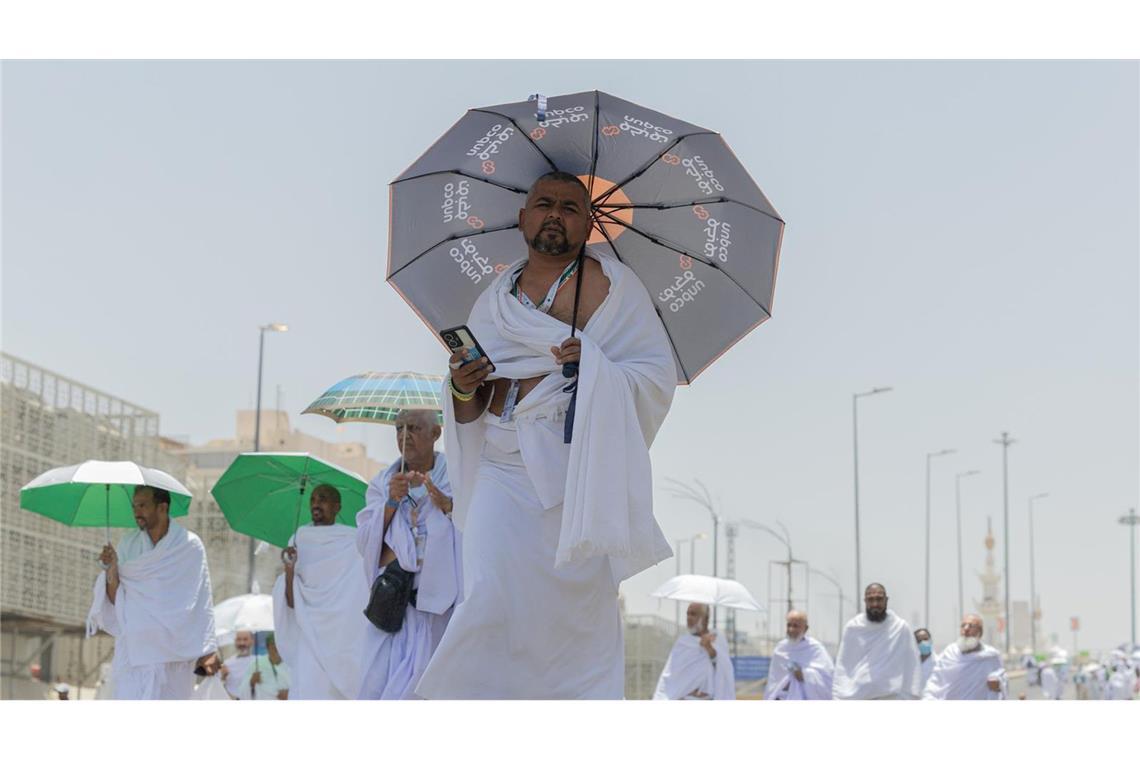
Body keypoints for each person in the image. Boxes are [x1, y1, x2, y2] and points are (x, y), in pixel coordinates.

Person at [416, 172, 676, 699]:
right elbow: (471, 395)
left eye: (570, 207)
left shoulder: (615, 288)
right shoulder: (493, 299)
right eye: (544, 204)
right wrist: (462, 387)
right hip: (498, 466)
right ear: (523, 217)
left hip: (571, 471)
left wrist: (595, 368)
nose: (555, 214)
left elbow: (653, 377)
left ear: (589, 224)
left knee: (573, 620)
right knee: (487, 596)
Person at [356, 409, 461, 700]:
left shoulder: (455, 477)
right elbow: (366, 541)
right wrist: (391, 502)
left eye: (413, 427)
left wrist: (448, 505)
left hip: (439, 607)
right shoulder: (382, 482)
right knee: (378, 687)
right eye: (399, 428)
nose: (404, 435)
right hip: (394, 606)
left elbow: (474, 529)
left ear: (436, 434)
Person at [86, 485, 220, 699]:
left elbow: (201, 600)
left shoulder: (190, 545)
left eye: (142, 505)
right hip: (135, 652)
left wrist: (208, 648)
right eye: (134, 506)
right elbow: (115, 600)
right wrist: (111, 569)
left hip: (175, 653)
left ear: (162, 507)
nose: (136, 511)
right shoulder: (128, 544)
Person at [272, 484, 369, 699]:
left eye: (323, 499)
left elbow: (360, 587)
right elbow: (291, 602)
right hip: (309, 636)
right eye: (313, 499)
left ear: (337, 507)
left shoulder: (353, 540)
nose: (316, 503)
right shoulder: (298, 540)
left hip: (342, 637)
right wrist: (289, 567)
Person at [832, 583, 922, 700]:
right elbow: (843, 665)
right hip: (858, 697)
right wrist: (838, 694)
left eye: (879, 599)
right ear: (865, 601)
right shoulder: (853, 628)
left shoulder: (900, 627)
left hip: (892, 697)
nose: (875, 604)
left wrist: (912, 695)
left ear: (886, 600)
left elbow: (912, 664)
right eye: (871, 600)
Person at [652, 603, 734, 700]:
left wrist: (709, 648)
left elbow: (723, 671)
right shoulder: (683, 643)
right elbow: (670, 677)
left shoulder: (717, 639)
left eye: (693, 614)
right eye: (688, 614)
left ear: (705, 618)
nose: (689, 618)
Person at [921, 614, 1006, 700]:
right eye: (963, 625)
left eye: (971, 626)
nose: (966, 629)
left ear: (980, 632)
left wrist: (998, 684)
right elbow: (935, 681)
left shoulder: (990, 656)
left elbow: (1002, 677)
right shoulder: (949, 653)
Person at [765, 610, 834, 700]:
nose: (791, 629)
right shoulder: (780, 649)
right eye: (789, 625)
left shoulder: (815, 649)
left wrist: (804, 674)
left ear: (805, 628)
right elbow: (773, 682)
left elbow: (827, 678)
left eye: (796, 626)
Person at [238, 633, 290, 700]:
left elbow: (301, 687)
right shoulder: (257, 665)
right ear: (268, 647)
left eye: (279, 647)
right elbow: (242, 691)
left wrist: (289, 694)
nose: (277, 651)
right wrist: (251, 682)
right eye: (274, 647)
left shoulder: (291, 664)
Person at [221, 629, 255, 699]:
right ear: (235, 641)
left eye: (245, 639)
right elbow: (218, 687)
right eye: (238, 639)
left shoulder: (260, 661)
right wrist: (222, 677)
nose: (242, 643)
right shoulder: (226, 663)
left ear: (252, 641)